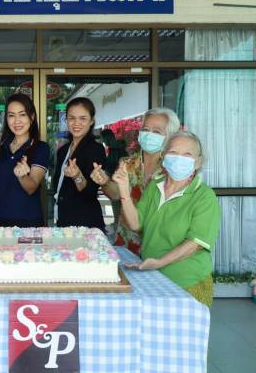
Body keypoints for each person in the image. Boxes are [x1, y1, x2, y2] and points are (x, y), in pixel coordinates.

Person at [114, 131, 221, 307]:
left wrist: (159, 263)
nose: (179, 158)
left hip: (187, 281)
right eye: (173, 152)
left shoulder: (204, 196)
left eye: (187, 154)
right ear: (163, 156)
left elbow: (194, 243)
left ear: (198, 162)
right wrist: (124, 189)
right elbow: (135, 223)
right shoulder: (155, 185)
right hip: (152, 275)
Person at [90, 108, 180, 254]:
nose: (149, 135)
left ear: (170, 137)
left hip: (159, 247)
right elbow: (115, 194)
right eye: (145, 129)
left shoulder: (174, 169)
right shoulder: (127, 163)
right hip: (127, 243)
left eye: (157, 131)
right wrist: (105, 181)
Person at [0, 93, 50, 227]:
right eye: (11, 115)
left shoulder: (40, 148)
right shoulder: (0, 148)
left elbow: (31, 188)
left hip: (29, 225)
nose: (16, 121)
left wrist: (22, 176)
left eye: (22, 114)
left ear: (32, 117)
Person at [53, 97, 107, 231]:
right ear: (66, 120)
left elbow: (89, 192)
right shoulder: (63, 151)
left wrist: (77, 176)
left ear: (91, 121)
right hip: (63, 220)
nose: (76, 123)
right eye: (72, 118)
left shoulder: (95, 149)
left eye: (83, 118)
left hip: (85, 224)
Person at [99, 128, 128, 236]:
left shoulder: (115, 150)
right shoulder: (118, 148)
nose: (103, 141)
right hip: (120, 181)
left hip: (116, 182)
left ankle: (117, 231)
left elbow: (111, 166)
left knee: (117, 207)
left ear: (108, 138)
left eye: (103, 139)